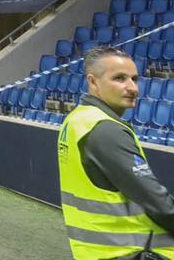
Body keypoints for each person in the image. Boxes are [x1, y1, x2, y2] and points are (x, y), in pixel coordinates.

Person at [58, 46, 174, 259]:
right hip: (136, 251)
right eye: (119, 78)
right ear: (93, 82)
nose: (132, 88)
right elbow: (159, 204)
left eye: (134, 79)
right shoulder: (105, 130)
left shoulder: (77, 118)